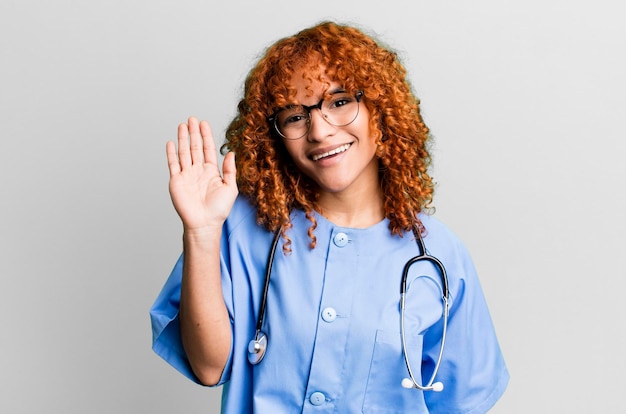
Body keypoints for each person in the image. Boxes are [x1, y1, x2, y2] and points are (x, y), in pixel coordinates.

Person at [150, 21, 509, 413]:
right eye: (294, 116)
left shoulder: (441, 257)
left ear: (381, 109)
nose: (319, 131)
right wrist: (201, 233)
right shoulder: (240, 228)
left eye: (339, 102)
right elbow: (208, 366)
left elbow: (461, 401)